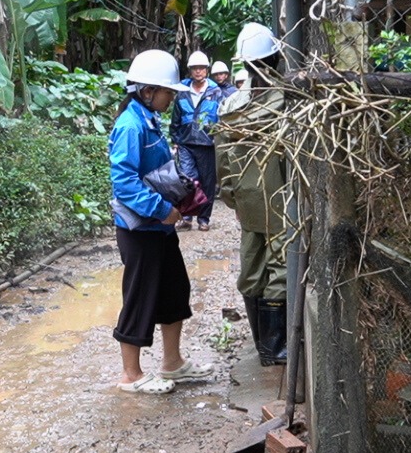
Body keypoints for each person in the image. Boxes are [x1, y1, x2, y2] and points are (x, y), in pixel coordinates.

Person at [109, 50, 214, 394]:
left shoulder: (149, 118)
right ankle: (131, 375)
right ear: (147, 90)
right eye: (168, 91)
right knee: (140, 296)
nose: (172, 96)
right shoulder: (130, 124)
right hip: (141, 229)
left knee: (174, 290)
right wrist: (160, 208)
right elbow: (124, 182)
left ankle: (172, 363)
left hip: (161, 226)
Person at [215, 23, 289, 366]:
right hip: (280, 197)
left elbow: (222, 162)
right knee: (280, 265)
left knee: (252, 265)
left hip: (246, 199)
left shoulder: (231, 105)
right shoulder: (286, 100)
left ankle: (263, 346)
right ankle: (275, 349)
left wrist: (232, 195)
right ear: (275, 58)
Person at [170, 50, 227, 231]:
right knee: (187, 179)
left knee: (207, 181)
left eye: (201, 68)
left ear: (207, 70)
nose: (198, 72)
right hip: (186, 143)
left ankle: (204, 218)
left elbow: (223, 118)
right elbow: (175, 118)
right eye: (195, 68)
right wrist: (175, 139)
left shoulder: (216, 92)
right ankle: (186, 217)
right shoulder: (182, 92)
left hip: (208, 144)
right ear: (190, 70)